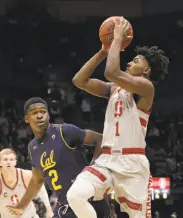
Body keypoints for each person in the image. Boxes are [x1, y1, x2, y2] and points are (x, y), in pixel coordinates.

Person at [66, 18, 169, 218]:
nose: (130, 61)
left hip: (132, 164)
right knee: (76, 195)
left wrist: (118, 38)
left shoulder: (146, 88)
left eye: (136, 61)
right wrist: (102, 52)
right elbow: (79, 80)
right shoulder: (113, 89)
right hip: (107, 159)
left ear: (147, 71)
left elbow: (112, 71)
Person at [7, 97, 111, 218]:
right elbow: (37, 180)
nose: (40, 115)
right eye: (34, 113)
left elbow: (100, 139)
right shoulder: (32, 147)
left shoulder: (64, 131)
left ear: (48, 115)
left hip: (88, 201)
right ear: (26, 119)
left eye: (43, 111)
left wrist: (94, 168)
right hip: (64, 206)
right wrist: (21, 206)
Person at [0, 148, 53, 218]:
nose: (8, 162)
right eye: (5, 159)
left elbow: (40, 188)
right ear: (0, 162)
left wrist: (49, 209)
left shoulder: (26, 175)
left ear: (15, 162)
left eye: (11, 159)